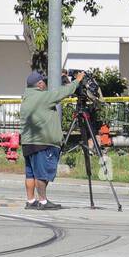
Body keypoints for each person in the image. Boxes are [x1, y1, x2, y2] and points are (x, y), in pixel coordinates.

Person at [18, 68, 83, 210]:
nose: (46, 85)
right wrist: (77, 81)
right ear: (39, 84)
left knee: (30, 173)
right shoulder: (43, 97)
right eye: (45, 82)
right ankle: (43, 201)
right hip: (43, 143)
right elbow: (62, 93)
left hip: (28, 142)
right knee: (42, 174)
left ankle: (30, 200)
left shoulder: (27, 97)